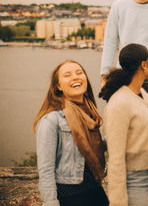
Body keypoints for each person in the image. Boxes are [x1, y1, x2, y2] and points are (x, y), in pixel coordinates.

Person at [99, 43, 148, 206]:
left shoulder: (142, 94)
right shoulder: (118, 104)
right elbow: (115, 157)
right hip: (136, 180)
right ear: (144, 65)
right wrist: (118, 201)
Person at [33, 60, 108, 206]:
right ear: (59, 86)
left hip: (95, 189)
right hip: (71, 196)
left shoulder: (90, 113)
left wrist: (119, 137)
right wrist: (51, 202)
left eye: (79, 73)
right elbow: (46, 168)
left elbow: (89, 148)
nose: (75, 77)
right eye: (67, 75)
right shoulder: (51, 120)